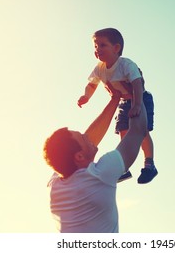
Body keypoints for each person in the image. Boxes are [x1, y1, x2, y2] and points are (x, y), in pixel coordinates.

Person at [43, 84, 147, 232]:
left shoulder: (56, 185)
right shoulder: (98, 175)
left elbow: (89, 140)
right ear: (79, 156)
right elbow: (138, 131)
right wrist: (137, 92)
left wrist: (115, 100)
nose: (88, 138)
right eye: (83, 138)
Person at [77, 28, 157, 184]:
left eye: (102, 45)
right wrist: (86, 96)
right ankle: (123, 167)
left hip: (140, 98)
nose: (97, 50)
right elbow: (92, 85)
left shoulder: (126, 64)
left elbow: (137, 83)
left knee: (141, 131)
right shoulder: (99, 68)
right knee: (123, 130)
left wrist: (138, 104)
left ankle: (149, 164)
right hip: (124, 102)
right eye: (95, 46)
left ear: (116, 48)